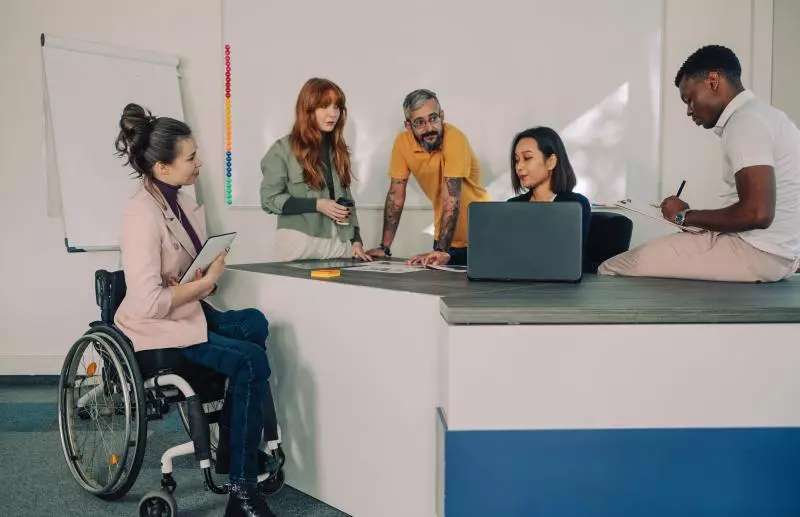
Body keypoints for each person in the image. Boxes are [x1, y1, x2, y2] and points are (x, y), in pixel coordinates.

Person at [113, 103, 279, 517]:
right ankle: (241, 492)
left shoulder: (181, 201)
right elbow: (149, 300)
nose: (199, 162)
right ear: (163, 168)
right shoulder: (140, 213)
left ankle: (231, 452)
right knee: (251, 361)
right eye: (191, 157)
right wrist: (202, 284)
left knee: (255, 322)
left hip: (187, 311)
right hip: (157, 330)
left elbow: (186, 272)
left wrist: (206, 270)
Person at [599, 45, 800, 282]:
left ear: (713, 80)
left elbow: (758, 214)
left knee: (612, 268)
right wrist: (689, 217)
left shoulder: (745, 123)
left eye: (690, 99)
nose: (688, 110)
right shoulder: (769, 116)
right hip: (778, 253)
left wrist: (685, 216)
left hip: (757, 252)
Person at [421, 126, 592, 267]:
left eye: (527, 158)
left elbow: (569, 260)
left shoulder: (575, 205)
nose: (519, 167)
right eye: (516, 160)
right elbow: (491, 251)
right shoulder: (513, 206)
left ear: (551, 162)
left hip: (558, 295)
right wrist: (447, 256)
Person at [366, 89, 490, 266]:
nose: (429, 128)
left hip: (482, 237)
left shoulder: (455, 138)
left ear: (442, 116)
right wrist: (385, 247)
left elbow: (451, 200)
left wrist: (441, 251)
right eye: (420, 122)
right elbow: (396, 196)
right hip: (444, 240)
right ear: (408, 126)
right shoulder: (402, 143)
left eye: (433, 118)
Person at [260, 78, 371, 262]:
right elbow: (269, 200)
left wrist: (356, 240)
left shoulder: (338, 150)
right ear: (308, 109)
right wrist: (317, 205)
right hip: (299, 245)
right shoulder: (282, 150)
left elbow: (348, 200)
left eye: (337, 107)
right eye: (324, 106)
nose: (333, 113)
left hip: (339, 246)